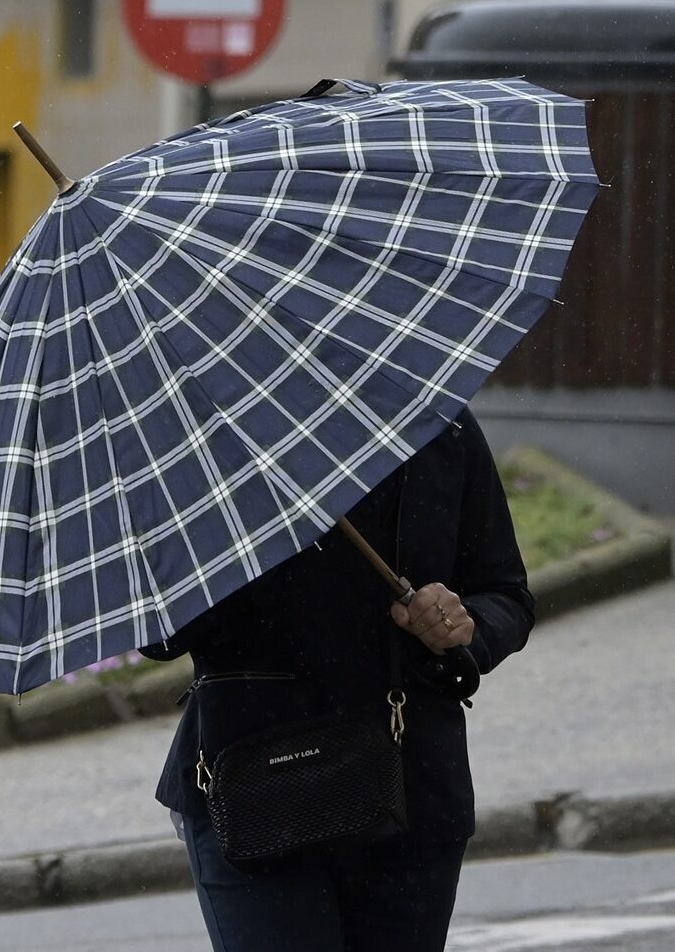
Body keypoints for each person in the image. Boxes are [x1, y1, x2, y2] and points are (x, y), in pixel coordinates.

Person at [139, 408, 533, 952]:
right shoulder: (195, 439)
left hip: (411, 787)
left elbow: (504, 593)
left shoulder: (436, 420)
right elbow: (159, 633)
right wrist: (234, 520)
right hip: (255, 791)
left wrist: (461, 626)